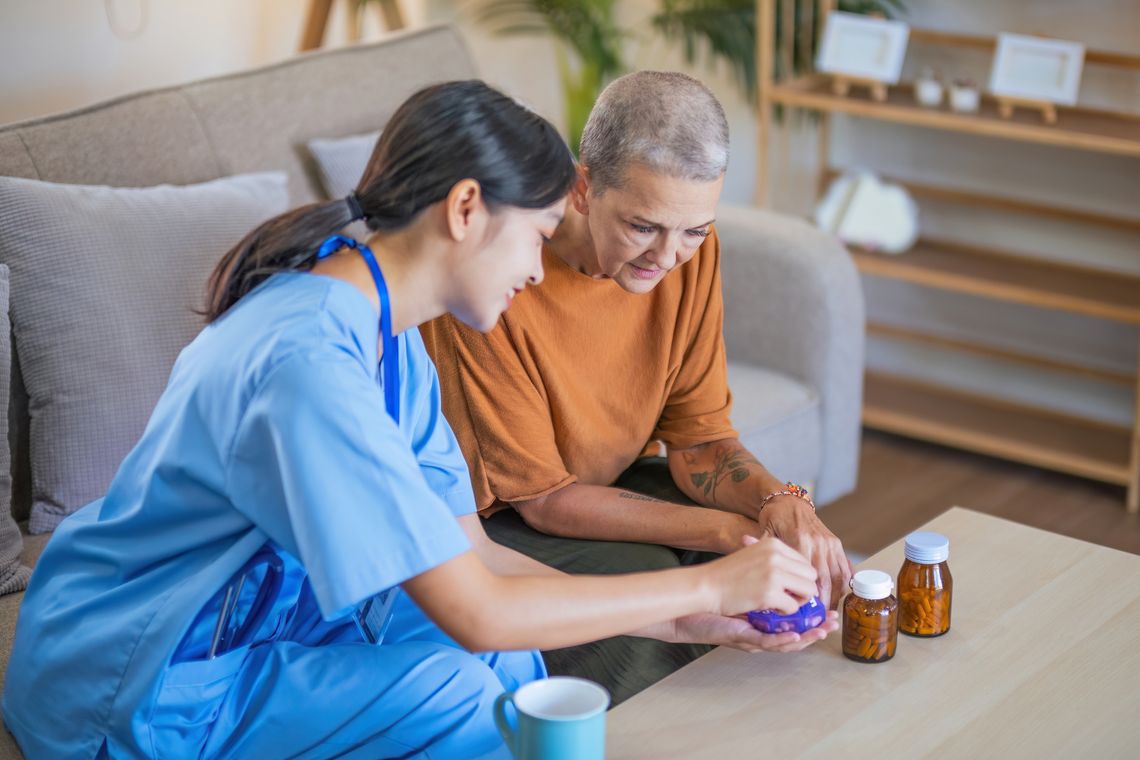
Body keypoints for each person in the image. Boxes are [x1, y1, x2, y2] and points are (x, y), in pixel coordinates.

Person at [1, 81, 834, 759]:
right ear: (467, 210)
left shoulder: (390, 343)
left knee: (510, 662)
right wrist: (705, 579)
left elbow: (477, 559)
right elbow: (475, 608)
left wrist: (693, 618)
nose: (538, 276)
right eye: (538, 237)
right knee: (459, 690)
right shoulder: (308, 366)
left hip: (263, 623)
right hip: (130, 676)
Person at [422, 71, 854, 704]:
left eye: (695, 230)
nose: (670, 256)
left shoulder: (690, 254)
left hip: (611, 487)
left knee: (776, 568)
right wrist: (730, 537)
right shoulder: (497, 278)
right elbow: (544, 501)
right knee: (653, 581)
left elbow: (701, 439)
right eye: (644, 226)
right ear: (582, 186)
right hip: (507, 519)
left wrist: (776, 505)